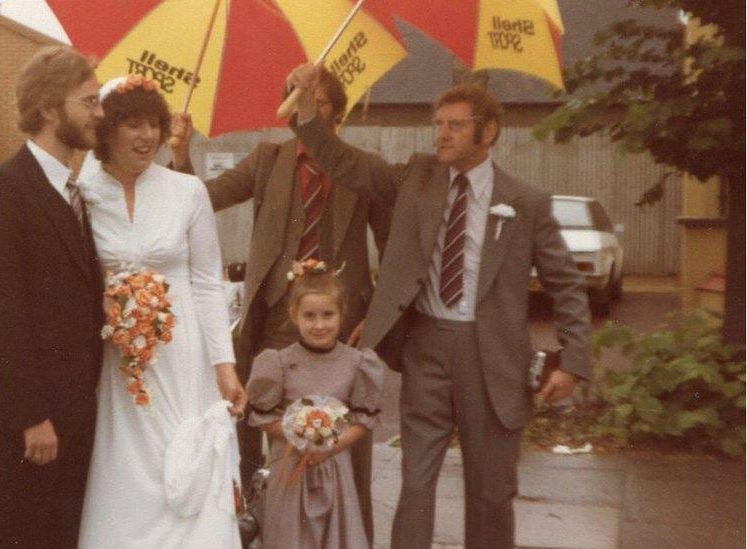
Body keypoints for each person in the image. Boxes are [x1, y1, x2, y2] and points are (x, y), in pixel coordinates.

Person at [286, 63, 592, 548]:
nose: (442, 134)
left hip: (492, 358)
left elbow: (567, 286)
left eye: (455, 125)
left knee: (491, 492)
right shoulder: (416, 177)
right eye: (438, 124)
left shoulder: (525, 203)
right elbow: (342, 160)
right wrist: (306, 105)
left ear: (488, 132)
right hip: (426, 347)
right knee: (416, 482)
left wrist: (572, 360)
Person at [169, 69, 391, 539]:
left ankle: (350, 536)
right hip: (275, 321)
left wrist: (375, 315)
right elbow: (202, 200)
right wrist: (179, 154)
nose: (303, 109)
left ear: (339, 112)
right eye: (294, 98)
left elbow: (391, 248)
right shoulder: (268, 160)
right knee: (265, 434)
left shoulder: (364, 167)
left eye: (316, 101)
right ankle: (262, 527)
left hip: (341, 325)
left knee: (346, 440)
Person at [74, 74, 248, 548]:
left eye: (153, 124)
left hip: (181, 353)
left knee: (184, 459)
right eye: (132, 125)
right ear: (106, 131)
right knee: (127, 466)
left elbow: (209, 283)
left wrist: (224, 366)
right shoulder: (82, 194)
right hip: (118, 362)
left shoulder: (186, 192)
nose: (147, 136)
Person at [0, 45, 105, 548]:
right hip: (36, 421)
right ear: (49, 109)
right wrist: (32, 418)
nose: (99, 114)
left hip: (76, 412)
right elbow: (3, 314)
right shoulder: (3, 189)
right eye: (89, 102)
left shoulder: (76, 193)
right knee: (16, 537)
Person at [245, 262, 384, 549]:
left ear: (342, 315)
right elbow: (263, 419)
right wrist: (300, 434)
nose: (319, 324)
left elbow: (362, 421)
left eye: (327, 315)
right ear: (293, 315)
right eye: (309, 316)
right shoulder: (279, 362)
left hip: (334, 466)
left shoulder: (356, 363)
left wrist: (330, 445)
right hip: (289, 468)